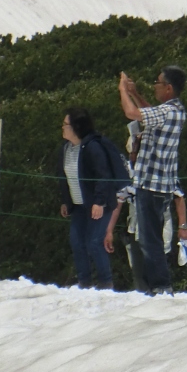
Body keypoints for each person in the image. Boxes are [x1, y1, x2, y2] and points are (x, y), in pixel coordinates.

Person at [119, 65, 187, 295]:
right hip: (160, 185)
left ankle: (161, 286)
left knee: (150, 241)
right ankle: (157, 285)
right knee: (152, 238)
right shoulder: (175, 110)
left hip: (151, 184)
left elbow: (132, 113)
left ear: (168, 88)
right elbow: (150, 114)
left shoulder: (167, 111)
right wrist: (135, 93)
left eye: (158, 83)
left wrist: (123, 90)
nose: (155, 86)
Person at [55, 107, 125, 289]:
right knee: (77, 242)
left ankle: (105, 282)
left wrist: (99, 202)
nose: (62, 127)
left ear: (76, 127)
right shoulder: (66, 149)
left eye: (66, 124)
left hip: (98, 204)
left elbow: (103, 175)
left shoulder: (92, 147)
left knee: (94, 242)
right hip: (78, 205)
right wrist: (66, 201)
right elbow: (65, 177)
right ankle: (84, 282)